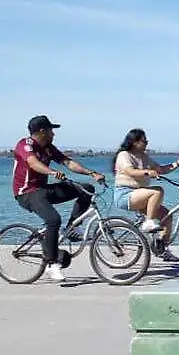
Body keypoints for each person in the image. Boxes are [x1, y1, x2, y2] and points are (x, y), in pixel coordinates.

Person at [11, 115, 106, 282]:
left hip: (43, 190)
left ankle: (72, 228)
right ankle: (51, 264)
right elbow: (33, 163)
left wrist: (92, 173)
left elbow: (68, 163)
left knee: (86, 189)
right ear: (42, 131)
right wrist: (52, 172)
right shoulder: (24, 145)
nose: (53, 134)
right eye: (51, 130)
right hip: (26, 193)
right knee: (53, 219)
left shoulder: (48, 147)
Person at [111, 128, 179, 262]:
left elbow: (161, 169)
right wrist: (148, 172)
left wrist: (177, 164)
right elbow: (130, 171)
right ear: (134, 142)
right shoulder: (124, 155)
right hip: (125, 195)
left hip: (140, 194)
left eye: (147, 141)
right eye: (144, 141)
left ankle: (162, 249)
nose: (147, 143)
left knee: (167, 217)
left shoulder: (144, 157)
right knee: (157, 191)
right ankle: (148, 222)